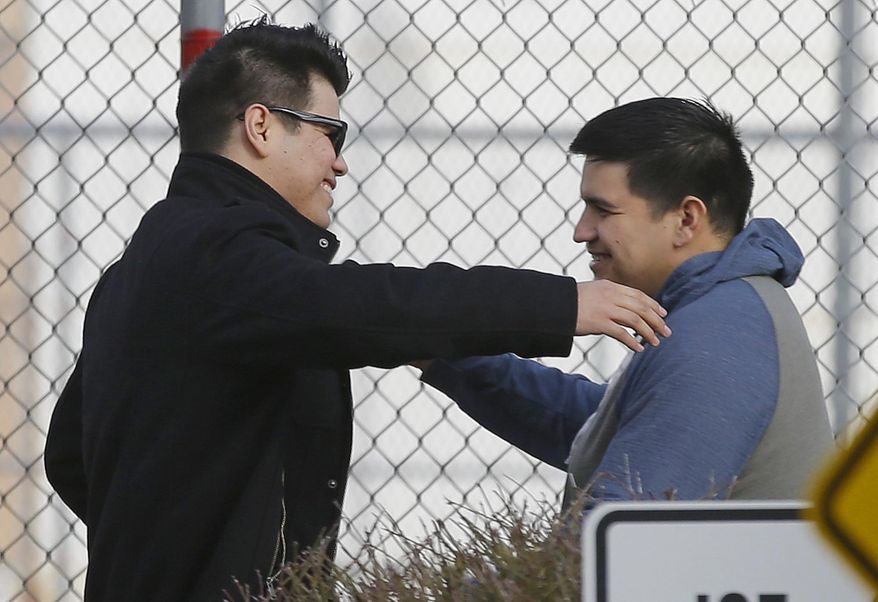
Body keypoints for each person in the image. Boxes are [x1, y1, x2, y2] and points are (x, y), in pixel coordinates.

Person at [42, 19, 670, 602]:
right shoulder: (218, 254)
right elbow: (365, 304)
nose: (340, 162)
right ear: (261, 127)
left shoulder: (141, 269)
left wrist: (172, 539)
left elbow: (70, 455)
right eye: (329, 134)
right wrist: (562, 303)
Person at [418, 98, 834, 507]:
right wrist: (428, 343)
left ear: (686, 219)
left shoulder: (717, 338)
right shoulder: (724, 308)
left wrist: (487, 579)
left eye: (602, 210)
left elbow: (620, 546)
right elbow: (599, 429)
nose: (582, 232)